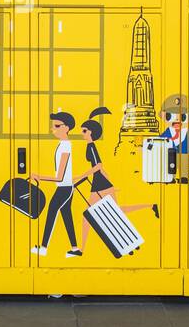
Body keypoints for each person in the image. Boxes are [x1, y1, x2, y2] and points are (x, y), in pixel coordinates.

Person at [75, 107, 158, 255]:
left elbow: (98, 166)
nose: (82, 134)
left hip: (99, 185)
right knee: (116, 211)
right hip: (101, 183)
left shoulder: (90, 147)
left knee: (89, 216)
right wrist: (111, 184)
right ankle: (149, 208)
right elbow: (101, 168)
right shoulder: (91, 147)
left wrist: (80, 177)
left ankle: (82, 249)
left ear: (91, 133)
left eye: (84, 131)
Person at [31, 111, 78, 257]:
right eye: (53, 126)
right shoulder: (63, 145)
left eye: (57, 126)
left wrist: (40, 177)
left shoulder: (65, 146)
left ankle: (43, 248)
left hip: (64, 188)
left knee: (51, 213)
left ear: (67, 128)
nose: (54, 129)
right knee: (66, 215)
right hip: (66, 187)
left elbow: (59, 177)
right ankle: (75, 248)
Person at [157, 93, 189, 183]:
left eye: (183, 117)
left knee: (185, 163)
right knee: (170, 164)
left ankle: (184, 177)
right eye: (170, 116)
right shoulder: (168, 132)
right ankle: (171, 177)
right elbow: (160, 140)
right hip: (171, 153)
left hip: (185, 153)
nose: (177, 120)